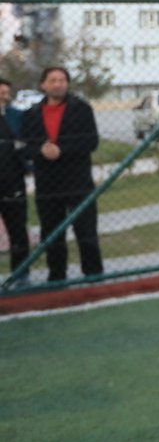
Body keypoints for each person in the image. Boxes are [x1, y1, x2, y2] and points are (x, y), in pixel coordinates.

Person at [21, 66, 101, 283]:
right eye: (53, 80)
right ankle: (57, 277)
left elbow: (91, 141)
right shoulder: (31, 114)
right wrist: (40, 150)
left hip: (78, 181)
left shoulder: (81, 108)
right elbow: (25, 147)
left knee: (86, 233)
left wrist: (61, 150)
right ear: (43, 85)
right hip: (47, 184)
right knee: (52, 234)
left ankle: (93, 276)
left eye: (62, 80)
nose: (58, 84)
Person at [0, 79, 29, 284]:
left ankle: (20, 274)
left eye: (5, 93)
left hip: (13, 182)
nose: (3, 96)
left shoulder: (17, 116)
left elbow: (26, 144)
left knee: (17, 229)